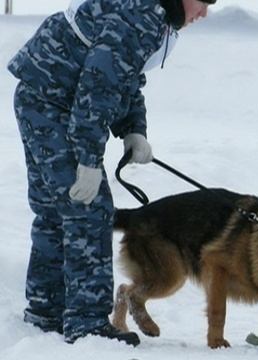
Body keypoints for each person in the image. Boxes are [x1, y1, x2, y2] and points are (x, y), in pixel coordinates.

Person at [8, 0, 215, 346]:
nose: (204, 12)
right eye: (203, 1)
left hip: (42, 94)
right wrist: (87, 161)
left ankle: (47, 310)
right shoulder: (141, 16)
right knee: (88, 208)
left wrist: (134, 129)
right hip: (54, 102)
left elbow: (125, 75)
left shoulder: (151, 13)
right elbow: (97, 87)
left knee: (56, 210)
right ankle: (86, 323)